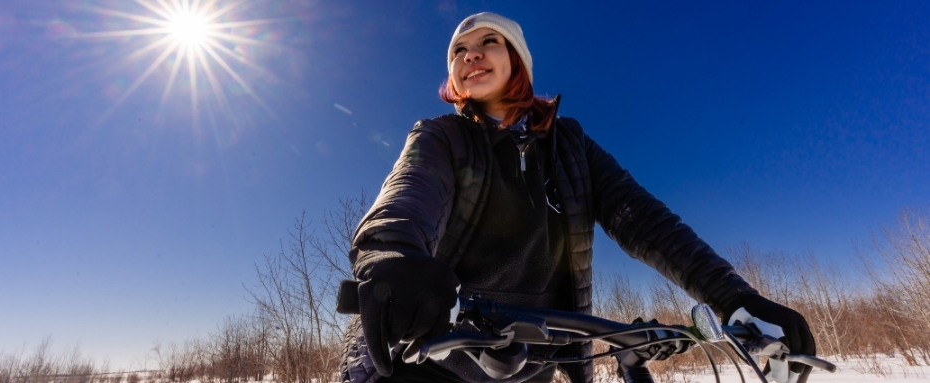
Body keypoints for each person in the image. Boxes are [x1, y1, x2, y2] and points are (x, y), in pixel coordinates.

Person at [341, 12, 815, 383]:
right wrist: (394, 254)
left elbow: (645, 221)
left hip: (535, 363)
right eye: (459, 51)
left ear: (518, 62)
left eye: (489, 42)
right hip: (434, 356)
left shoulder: (570, 145)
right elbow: (409, 192)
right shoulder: (442, 137)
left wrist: (733, 297)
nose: (471, 55)